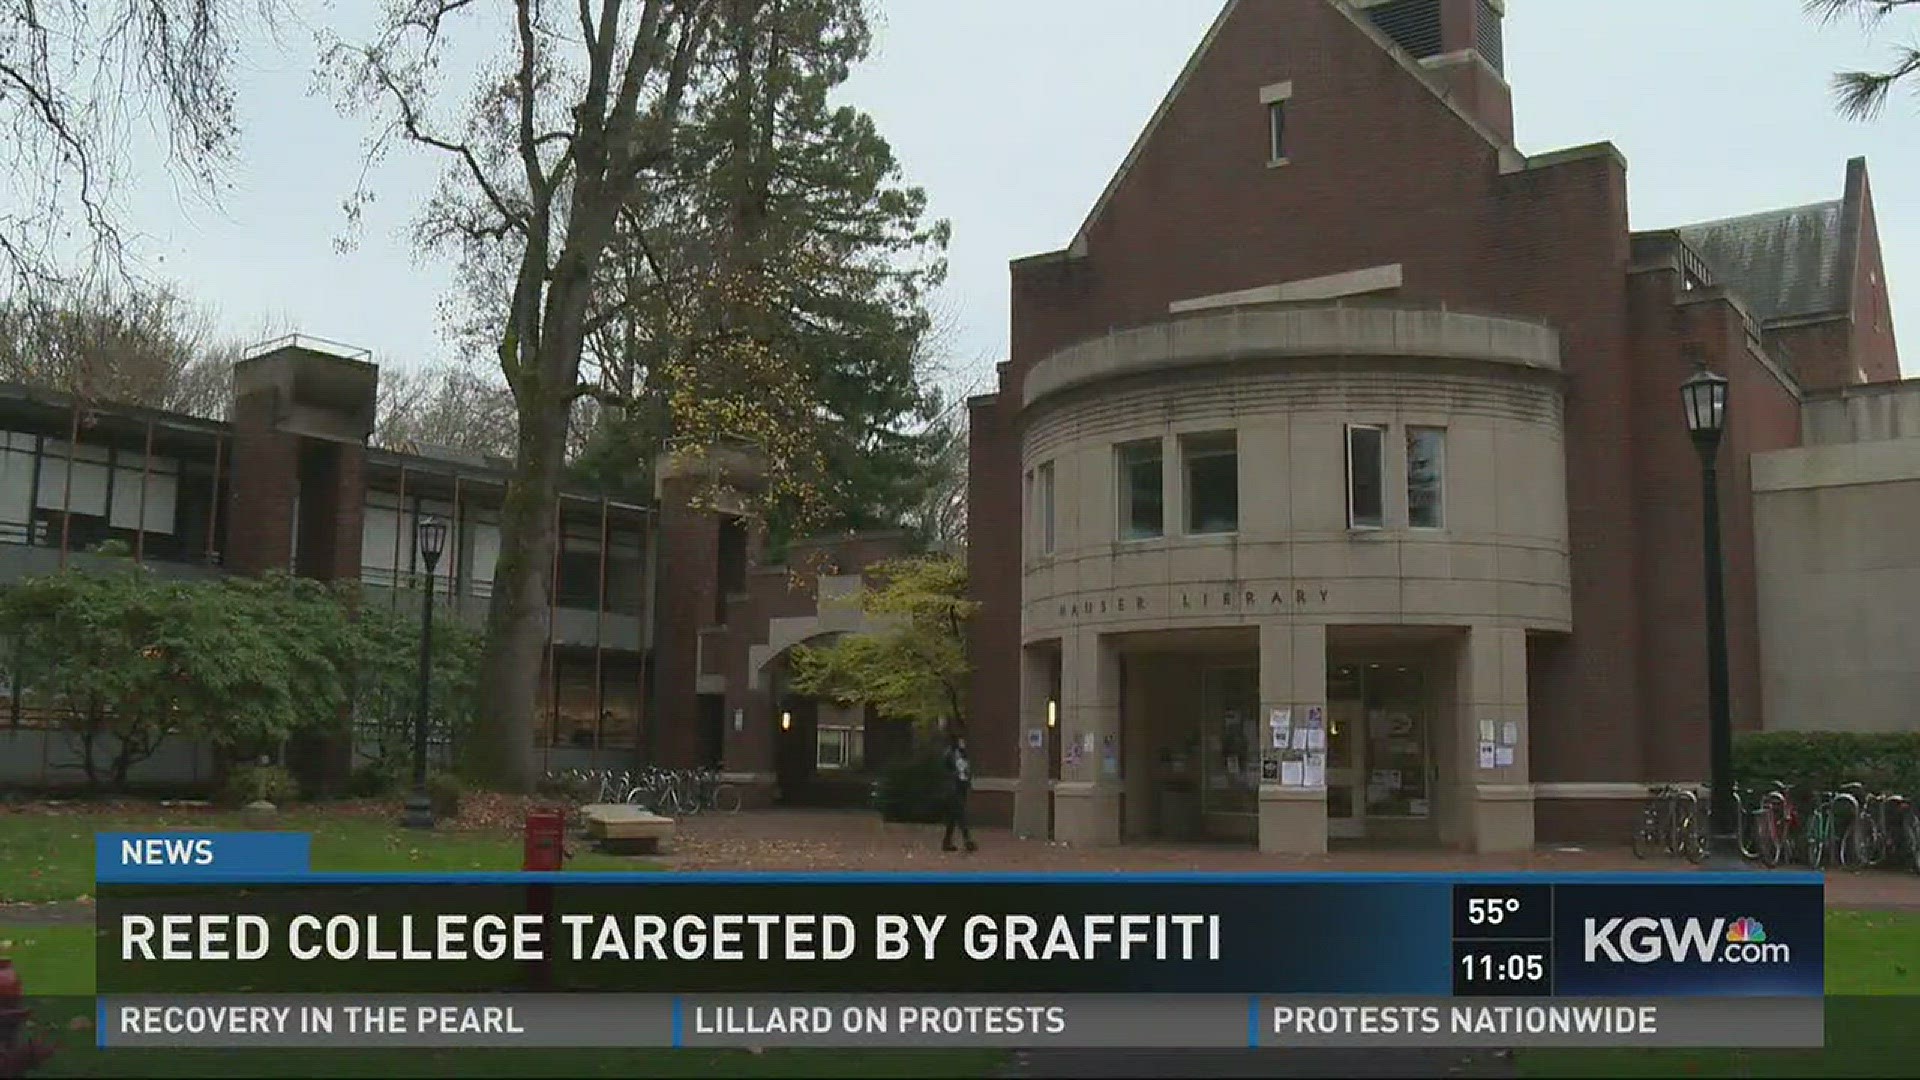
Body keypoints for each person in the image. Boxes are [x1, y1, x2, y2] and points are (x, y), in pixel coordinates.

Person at [941, 731, 977, 853]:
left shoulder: (963, 754)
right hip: (952, 788)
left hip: (962, 786)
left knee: (953, 816)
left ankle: (946, 842)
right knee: (960, 813)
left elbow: (966, 768)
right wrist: (954, 776)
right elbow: (945, 771)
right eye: (961, 741)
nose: (963, 743)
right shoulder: (949, 754)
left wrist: (967, 777)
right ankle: (968, 840)